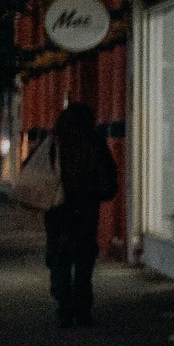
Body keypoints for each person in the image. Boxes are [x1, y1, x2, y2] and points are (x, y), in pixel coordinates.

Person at [42, 100, 119, 326]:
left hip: (57, 208)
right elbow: (108, 174)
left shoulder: (54, 143)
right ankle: (82, 308)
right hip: (85, 206)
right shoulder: (94, 141)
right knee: (84, 258)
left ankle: (64, 306)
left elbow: (37, 169)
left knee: (59, 256)